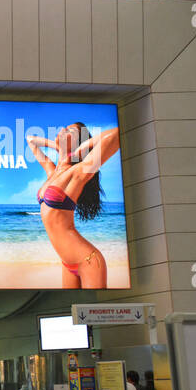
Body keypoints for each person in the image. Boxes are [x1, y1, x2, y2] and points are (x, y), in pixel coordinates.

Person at [26, 122, 121, 288]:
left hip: (88, 259)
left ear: (78, 141)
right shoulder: (52, 171)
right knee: (73, 310)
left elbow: (117, 134)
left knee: (91, 312)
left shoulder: (79, 171)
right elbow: (30, 140)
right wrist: (55, 145)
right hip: (66, 263)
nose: (62, 130)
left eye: (69, 131)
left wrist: (86, 144)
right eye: (62, 128)